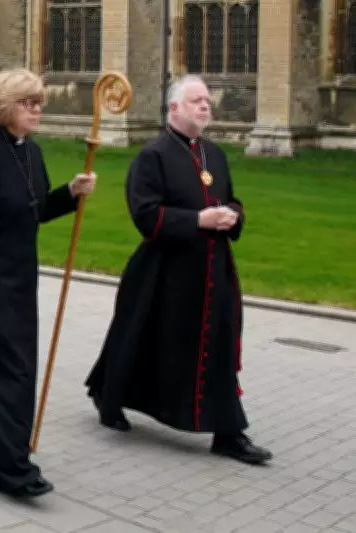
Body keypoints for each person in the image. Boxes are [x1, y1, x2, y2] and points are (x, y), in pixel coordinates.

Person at [84, 75, 272, 465]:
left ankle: (228, 432)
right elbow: (145, 214)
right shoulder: (152, 156)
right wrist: (198, 220)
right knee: (141, 338)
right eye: (196, 100)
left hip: (213, 272)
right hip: (163, 274)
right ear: (173, 108)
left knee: (218, 345)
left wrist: (231, 216)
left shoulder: (214, 155)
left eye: (207, 100)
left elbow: (233, 200)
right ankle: (109, 395)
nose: (206, 106)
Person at [0, 68, 98, 498]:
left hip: (20, 281)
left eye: (39, 104)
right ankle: (6, 467)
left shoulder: (31, 153)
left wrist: (71, 191)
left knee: (17, 366)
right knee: (0, 371)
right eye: (29, 103)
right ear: (5, 106)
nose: (37, 111)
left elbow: (35, 210)